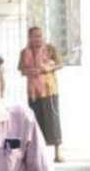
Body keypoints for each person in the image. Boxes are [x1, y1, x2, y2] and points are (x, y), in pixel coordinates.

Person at [18, 26, 65, 162]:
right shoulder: (24, 53)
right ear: (30, 38)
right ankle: (40, 153)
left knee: (53, 120)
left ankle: (57, 152)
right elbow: (21, 69)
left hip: (49, 90)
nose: (38, 39)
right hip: (34, 92)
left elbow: (60, 64)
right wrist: (29, 71)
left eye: (40, 36)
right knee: (37, 121)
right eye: (35, 36)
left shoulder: (50, 49)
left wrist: (49, 68)